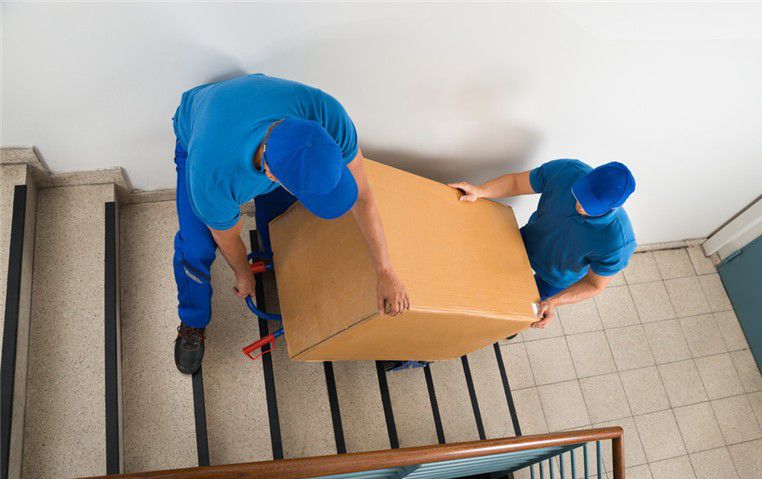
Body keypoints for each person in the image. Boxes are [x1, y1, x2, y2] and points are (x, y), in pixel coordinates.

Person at [171, 74, 409, 374]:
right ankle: (192, 321)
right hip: (197, 133)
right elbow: (227, 238)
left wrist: (385, 269)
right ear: (272, 176)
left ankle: (274, 260)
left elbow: (362, 196)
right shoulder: (213, 177)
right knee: (195, 246)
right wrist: (243, 274)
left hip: (248, 115)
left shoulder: (327, 115)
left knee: (283, 223)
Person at [449, 159, 636, 328]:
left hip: (555, 277)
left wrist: (554, 301)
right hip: (526, 241)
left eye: (591, 206)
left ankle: (506, 328)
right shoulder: (566, 171)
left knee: (518, 312)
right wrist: (480, 191)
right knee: (486, 277)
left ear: (613, 207)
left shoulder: (618, 243)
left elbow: (594, 285)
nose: (580, 205)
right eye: (580, 194)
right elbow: (516, 183)